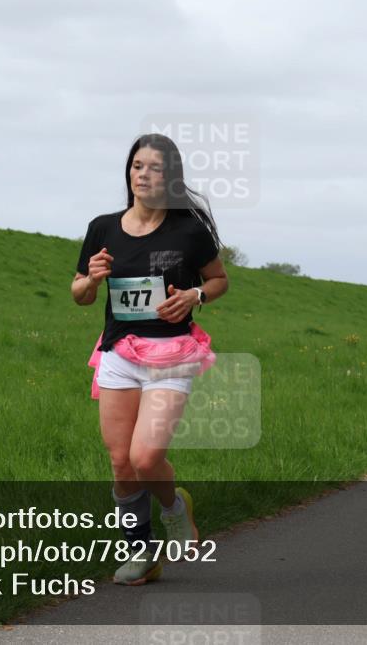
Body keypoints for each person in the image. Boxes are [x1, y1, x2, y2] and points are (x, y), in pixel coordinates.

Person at [71, 133, 229, 585]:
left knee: (146, 457)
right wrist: (91, 281)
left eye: (153, 168)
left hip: (172, 353)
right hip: (119, 351)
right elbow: (80, 293)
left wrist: (195, 295)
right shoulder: (103, 227)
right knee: (121, 461)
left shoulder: (189, 231)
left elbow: (219, 280)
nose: (142, 174)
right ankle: (140, 553)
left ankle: (175, 509)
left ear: (170, 177)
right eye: (136, 166)